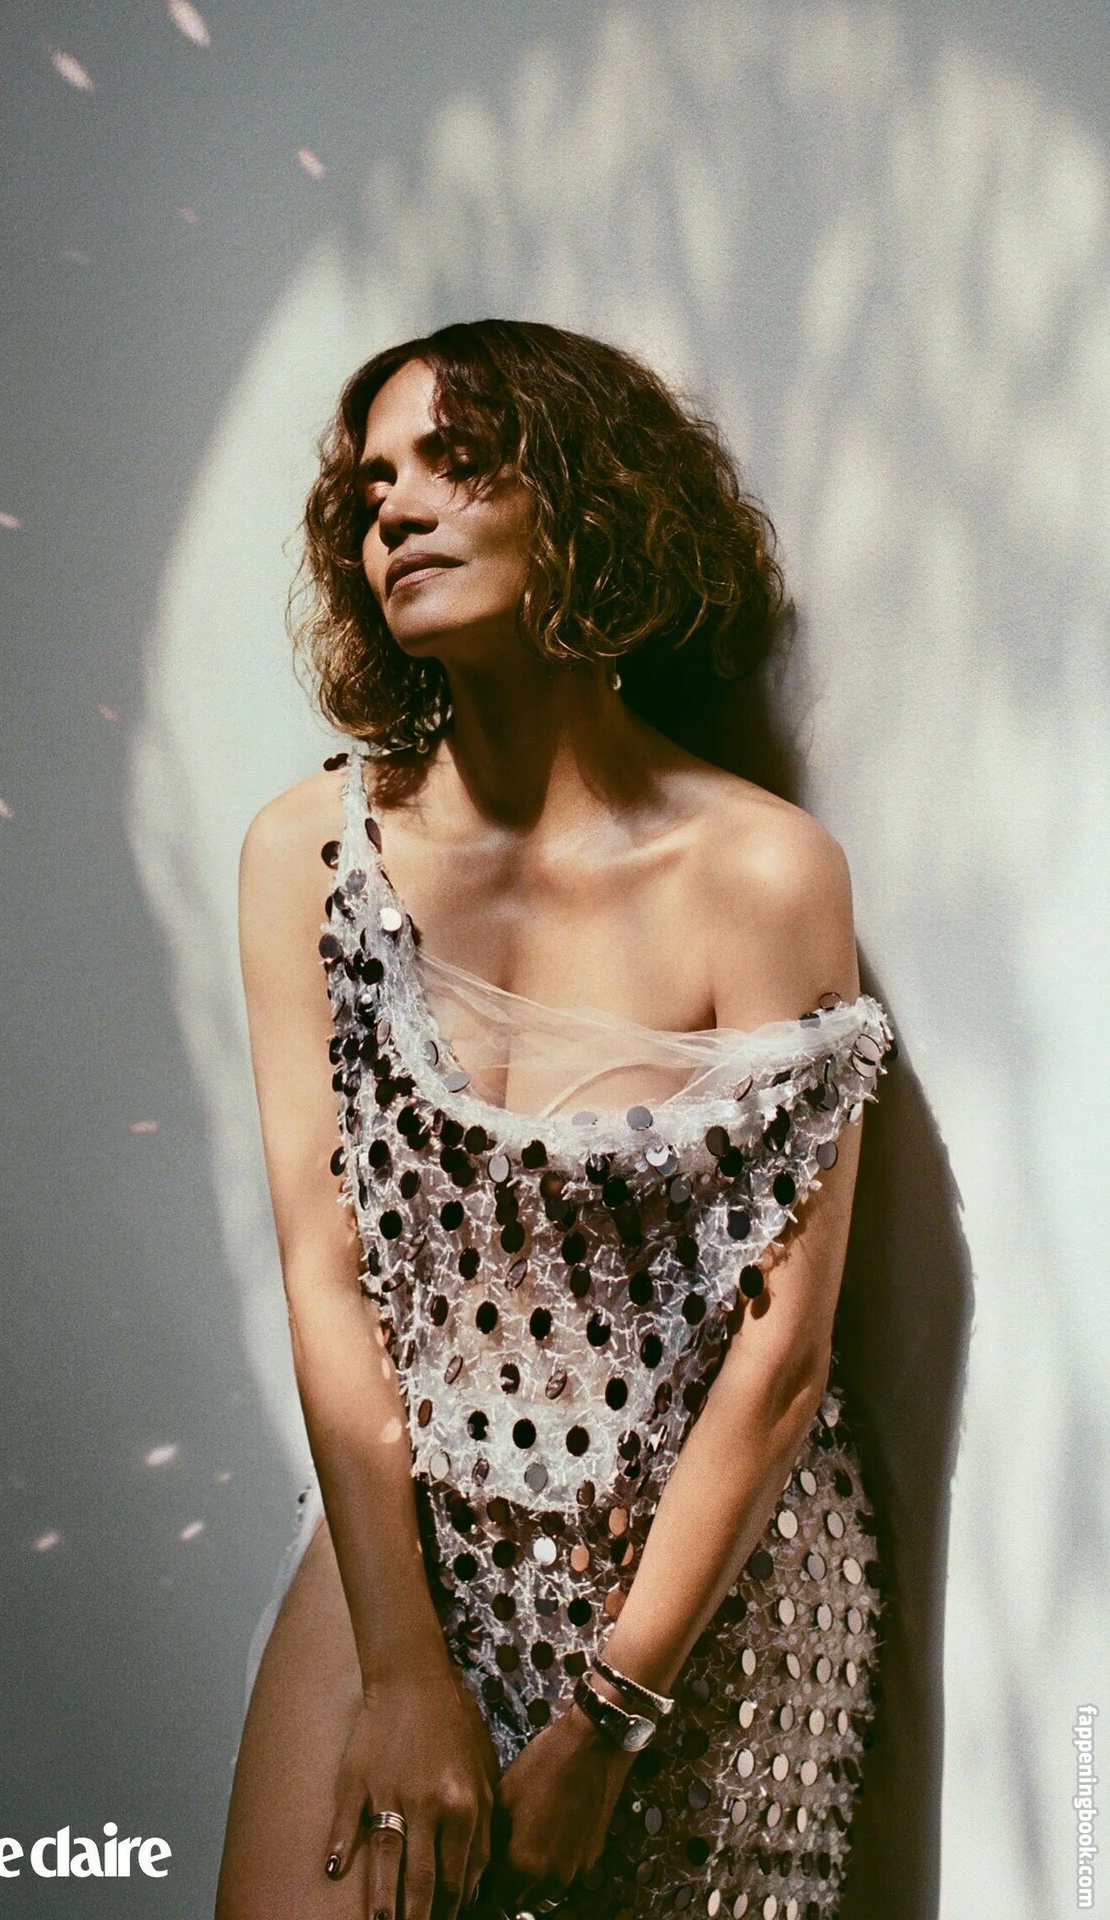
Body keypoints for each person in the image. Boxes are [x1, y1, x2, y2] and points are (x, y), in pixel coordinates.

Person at [215, 319, 894, 1920]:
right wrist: (404, 1670)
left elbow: (785, 1356)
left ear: (585, 501)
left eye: (454, 463)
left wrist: (610, 1720)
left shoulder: (759, 872)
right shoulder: (308, 853)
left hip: (705, 1606)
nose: (396, 509)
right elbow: (326, 1275)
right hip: (407, 1549)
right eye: (372, 487)